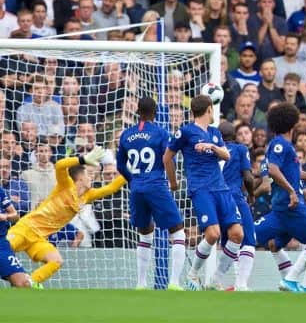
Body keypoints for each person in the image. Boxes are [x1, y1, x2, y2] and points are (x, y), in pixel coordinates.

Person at [7, 147, 127, 287]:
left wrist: (128, 173)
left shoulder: (88, 195)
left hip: (39, 238)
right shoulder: (65, 185)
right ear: (80, 178)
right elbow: (60, 165)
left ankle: (30, 283)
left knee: (56, 261)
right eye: (88, 175)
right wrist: (82, 159)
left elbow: (111, 188)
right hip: (26, 229)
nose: (91, 178)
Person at [164, 95, 243, 291]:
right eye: (213, 109)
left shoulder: (215, 133)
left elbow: (227, 155)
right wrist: (173, 182)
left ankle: (215, 280)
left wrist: (212, 147)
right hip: (201, 189)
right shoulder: (185, 132)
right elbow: (167, 157)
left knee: (237, 234)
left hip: (221, 188)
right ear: (209, 109)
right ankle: (192, 275)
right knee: (213, 233)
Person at [254, 102, 306, 292]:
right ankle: (294, 281)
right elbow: (273, 170)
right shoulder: (281, 144)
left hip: (283, 208)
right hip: (291, 206)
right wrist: (291, 191)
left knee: (273, 243)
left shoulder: (283, 144)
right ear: (293, 122)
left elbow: (293, 172)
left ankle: (302, 284)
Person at [116, 97, 186, 291]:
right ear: (155, 112)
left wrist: (133, 180)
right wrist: (173, 182)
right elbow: (167, 159)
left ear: (137, 111)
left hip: (137, 188)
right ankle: (174, 282)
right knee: (178, 230)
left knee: (145, 233)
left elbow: (120, 165)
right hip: (156, 185)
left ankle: (141, 284)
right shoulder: (160, 133)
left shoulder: (126, 134)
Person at [219, 121, 257, 291]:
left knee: (230, 242)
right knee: (248, 240)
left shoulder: (212, 150)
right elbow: (248, 177)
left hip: (216, 199)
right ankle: (241, 284)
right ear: (234, 136)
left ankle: (228, 282)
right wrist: (252, 194)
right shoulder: (241, 149)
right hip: (235, 196)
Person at [0, 186, 30, 287]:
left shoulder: (0, 192)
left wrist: (6, 216)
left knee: (23, 284)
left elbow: (15, 215)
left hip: (1, 245)